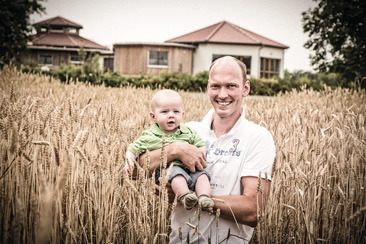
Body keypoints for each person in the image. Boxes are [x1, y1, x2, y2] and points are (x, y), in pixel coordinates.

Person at [138, 56, 276, 243]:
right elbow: (135, 168)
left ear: (246, 88)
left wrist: (193, 197)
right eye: (216, 86)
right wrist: (174, 150)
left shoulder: (258, 137)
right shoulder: (188, 130)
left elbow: (253, 211)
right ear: (207, 88)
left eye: (231, 86)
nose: (222, 94)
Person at [125, 89, 214, 211]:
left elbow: (201, 145)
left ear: (182, 115)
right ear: (153, 117)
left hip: (191, 167)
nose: (171, 115)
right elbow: (133, 148)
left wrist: (198, 157)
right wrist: (129, 161)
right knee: (177, 175)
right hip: (169, 169)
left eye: (176, 111)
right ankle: (185, 196)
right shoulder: (149, 135)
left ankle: (204, 198)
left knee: (203, 176)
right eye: (165, 112)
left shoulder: (188, 131)